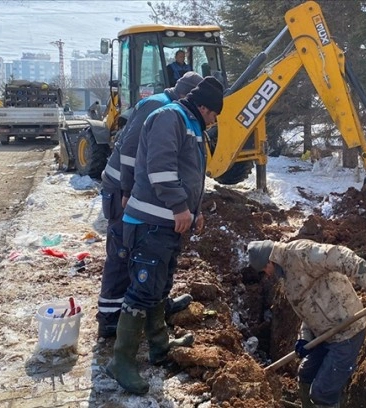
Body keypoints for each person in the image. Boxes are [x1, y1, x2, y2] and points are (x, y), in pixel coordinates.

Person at [105, 76, 225, 394]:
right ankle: (121, 362)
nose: (214, 121)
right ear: (203, 107)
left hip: (167, 223)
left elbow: (189, 175)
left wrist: (193, 209)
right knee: (143, 290)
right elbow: (161, 169)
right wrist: (179, 207)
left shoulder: (189, 123)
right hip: (150, 222)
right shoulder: (169, 117)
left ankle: (159, 346)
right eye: (214, 114)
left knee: (159, 288)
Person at [96, 71, 203, 339]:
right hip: (124, 189)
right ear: (184, 95)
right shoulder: (157, 107)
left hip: (137, 189)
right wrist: (127, 190)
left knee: (149, 257)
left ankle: (155, 304)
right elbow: (130, 153)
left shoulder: (174, 112)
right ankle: (110, 318)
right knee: (123, 252)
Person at [247, 239, 366, 408]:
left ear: (270, 260)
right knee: (306, 375)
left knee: (322, 393)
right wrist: (304, 337)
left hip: (347, 330)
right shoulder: (285, 274)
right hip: (325, 334)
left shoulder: (301, 253)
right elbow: (308, 309)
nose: (266, 273)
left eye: (264, 269)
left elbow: (343, 256)